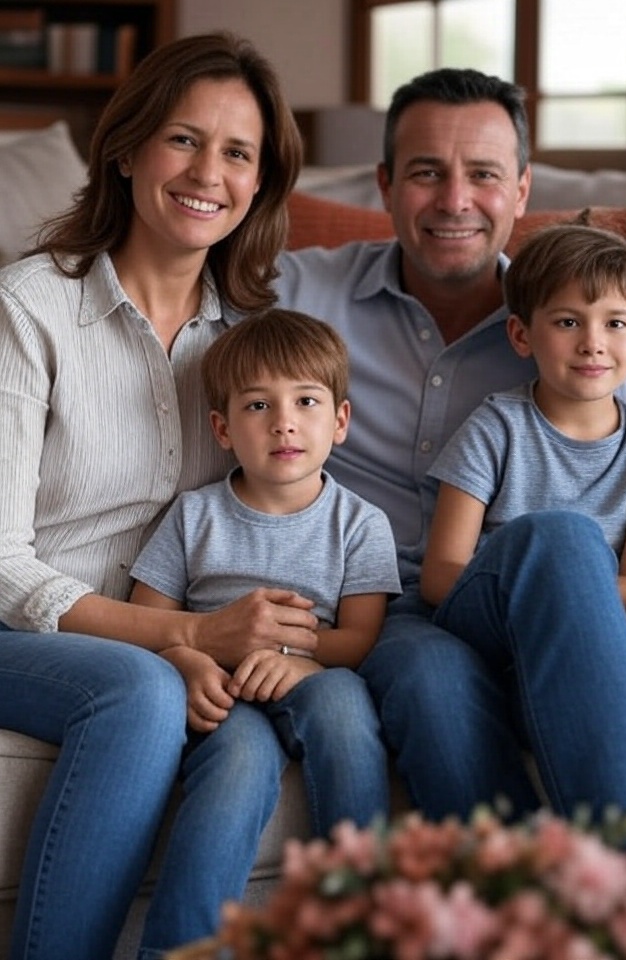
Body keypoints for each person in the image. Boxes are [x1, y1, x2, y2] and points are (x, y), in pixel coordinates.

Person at [0, 32, 386, 960]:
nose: (207, 171)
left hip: (197, 639)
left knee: (236, 731)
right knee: (136, 691)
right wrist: (183, 638)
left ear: (259, 183)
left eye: (238, 152)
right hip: (31, 630)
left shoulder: (255, 342)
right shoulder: (28, 308)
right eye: (182, 139)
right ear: (127, 150)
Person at [269, 66, 626, 825]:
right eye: (425, 173)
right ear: (383, 184)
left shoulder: (573, 325)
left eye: (482, 174)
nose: (454, 201)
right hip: (386, 611)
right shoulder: (297, 292)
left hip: (545, 602)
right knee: (428, 679)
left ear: (519, 190)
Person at [129, 307, 399, 825]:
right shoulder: (193, 515)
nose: (284, 423)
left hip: (312, 675)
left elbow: (361, 637)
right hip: (218, 686)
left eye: (306, 401)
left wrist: (295, 657)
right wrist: (184, 664)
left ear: (340, 421)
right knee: (238, 761)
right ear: (223, 428)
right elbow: (149, 621)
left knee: (344, 710)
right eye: (257, 405)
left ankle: (361, 894)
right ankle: (196, 910)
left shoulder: (361, 523)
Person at [421, 222, 626, 632]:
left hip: (592, 625)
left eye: (615, 323)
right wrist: (535, 607)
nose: (593, 343)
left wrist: (560, 607)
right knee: (561, 534)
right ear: (521, 334)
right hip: (491, 621)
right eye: (568, 322)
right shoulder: (494, 428)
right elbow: (441, 573)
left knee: (571, 538)